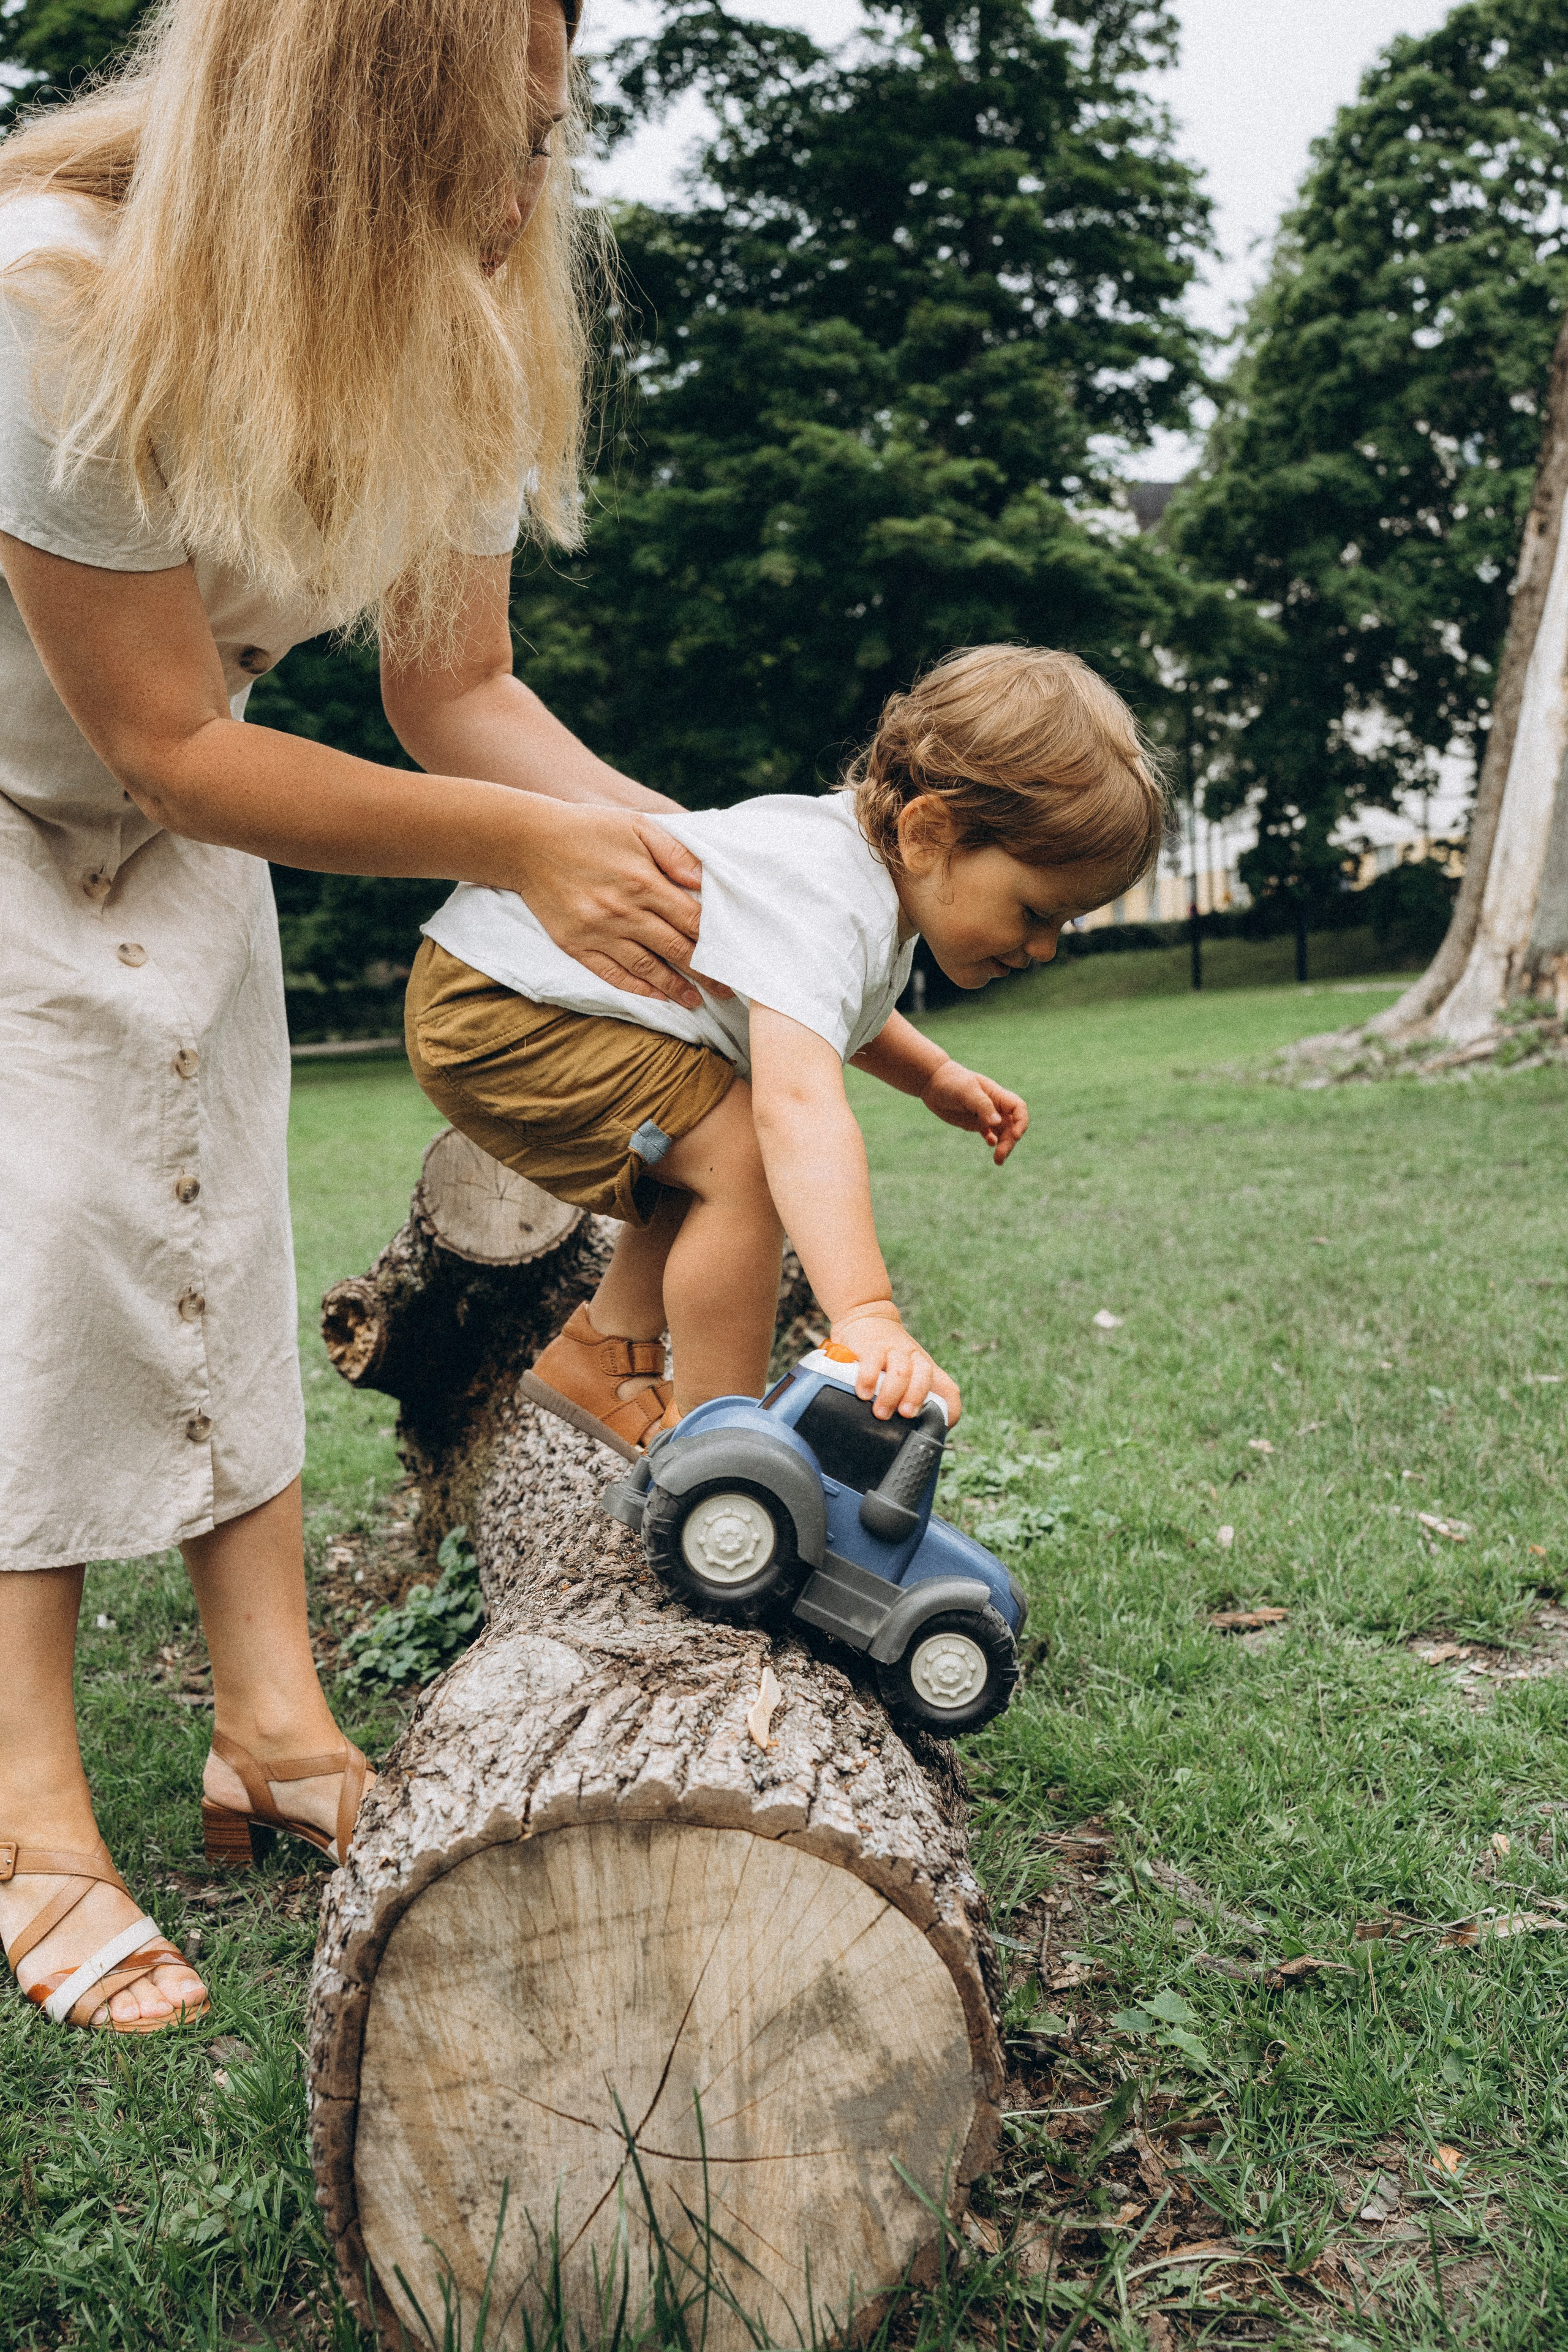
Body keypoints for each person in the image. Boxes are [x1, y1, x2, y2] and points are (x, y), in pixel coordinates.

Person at [0, 0, 718, 2036]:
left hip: (182, 827)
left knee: (224, 1249)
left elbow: (455, 695)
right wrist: (514, 847)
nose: (517, 200)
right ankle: (31, 1822)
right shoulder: (46, 302)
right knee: (38, 1275)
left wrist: (698, 861)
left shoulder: (448, 325)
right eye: (478, 143)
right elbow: (157, 736)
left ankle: (274, 1728)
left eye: (544, 137)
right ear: (336, 131)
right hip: (27, 807)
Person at [406, 645, 1166, 1444]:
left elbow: (830, 1011)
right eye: (1036, 913)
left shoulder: (857, 883)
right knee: (745, 1162)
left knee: (704, 1142)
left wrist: (934, 1076)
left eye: (1061, 924)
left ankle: (609, 1350)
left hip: (512, 997)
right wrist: (866, 1313)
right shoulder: (828, 892)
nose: (1044, 947)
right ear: (928, 833)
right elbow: (799, 1105)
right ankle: (720, 1446)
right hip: (498, 1004)